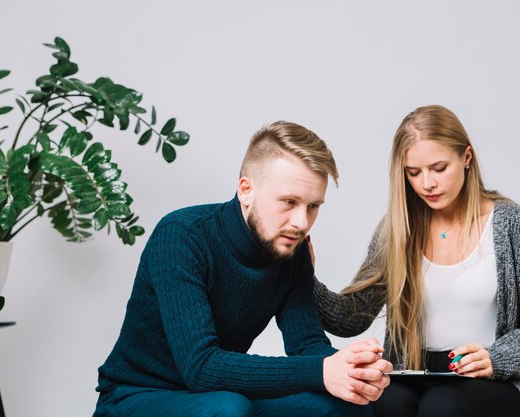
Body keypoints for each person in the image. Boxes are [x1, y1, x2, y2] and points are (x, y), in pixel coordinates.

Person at [93, 121, 392, 417]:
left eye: (313, 206)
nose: (301, 222)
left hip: (217, 398)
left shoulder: (291, 249)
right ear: (246, 190)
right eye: (289, 202)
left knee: (350, 406)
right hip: (135, 398)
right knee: (229, 408)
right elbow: (200, 367)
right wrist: (322, 370)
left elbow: (308, 345)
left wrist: (352, 370)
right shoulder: (181, 236)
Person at [312, 105, 520, 417]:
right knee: (383, 403)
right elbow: (350, 317)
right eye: (414, 173)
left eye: (439, 168)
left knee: (442, 406)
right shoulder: (397, 230)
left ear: (466, 158)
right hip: (417, 373)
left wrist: (496, 359)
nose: (427, 184)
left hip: (497, 378)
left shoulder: (514, 225)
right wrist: (303, 274)